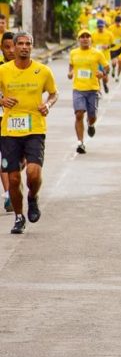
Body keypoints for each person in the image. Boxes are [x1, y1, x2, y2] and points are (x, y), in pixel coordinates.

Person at [0, 32, 58, 234]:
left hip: (35, 128)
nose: (24, 47)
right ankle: (18, 216)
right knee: (14, 179)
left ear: (32, 47)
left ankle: (32, 197)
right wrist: (1, 100)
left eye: (28, 44)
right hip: (10, 130)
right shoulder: (3, 71)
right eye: (21, 44)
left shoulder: (42, 71)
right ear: (13, 47)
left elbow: (53, 93)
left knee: (33, 174)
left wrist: (48, 105)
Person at [68, 29, 109, 154]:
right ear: (78, 39)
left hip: (93, 89)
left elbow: (107, 67)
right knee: (79, 114)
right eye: (82, 37)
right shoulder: (74, 53)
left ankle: (91, 125)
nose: (85, 39)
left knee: (92, 116)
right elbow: (71, 66)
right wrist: (70, 73)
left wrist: (103, 73)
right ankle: (80, 143)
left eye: (87, 36)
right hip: (78, 89)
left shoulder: (97, 53)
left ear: (91, 39)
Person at [0, 32, 16, 212]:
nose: (11, 51)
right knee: (3, 158)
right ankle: (9, 194)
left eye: (14, 46)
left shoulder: (27, 67)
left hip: (21, 120)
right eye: (7, 47)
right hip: (1, 118)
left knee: (20, 161)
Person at [91, 19, 113, 94]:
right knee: (97, 75)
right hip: (96, 58)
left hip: (105, 58)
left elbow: (113, 44)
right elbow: (90, 44)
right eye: (99, 26)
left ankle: (105, 83)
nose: (100, 28)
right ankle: (98, 90)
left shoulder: (109, 34)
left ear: (104, 26)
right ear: (97, 26)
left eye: (101, 26)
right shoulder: (93, 34)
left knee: (105, 76)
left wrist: (108, 46)